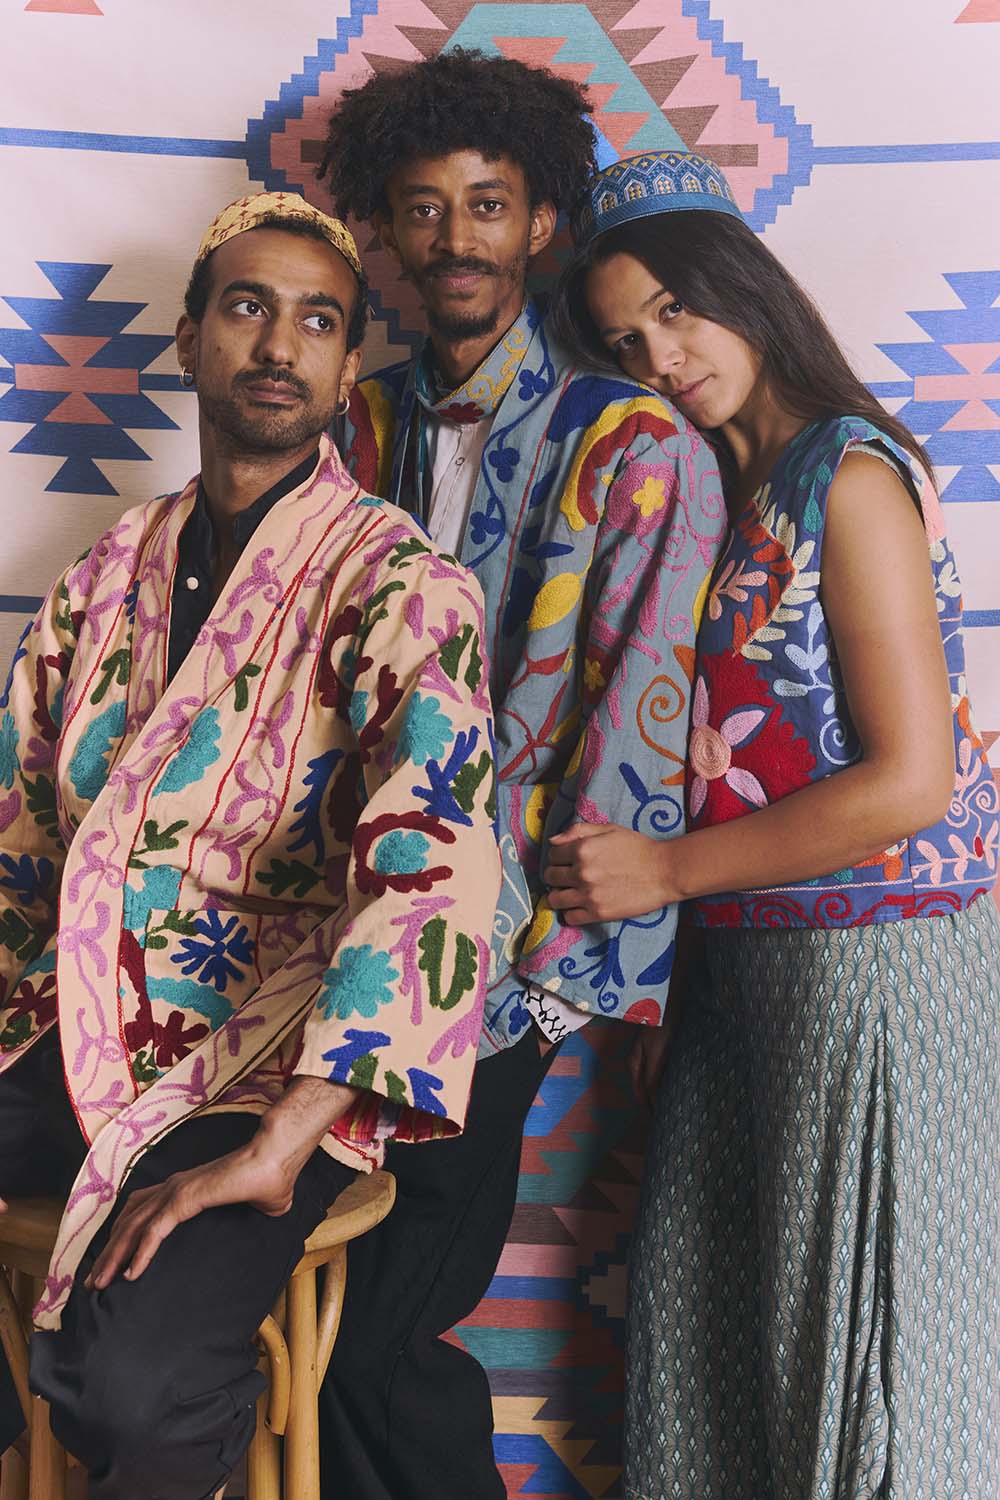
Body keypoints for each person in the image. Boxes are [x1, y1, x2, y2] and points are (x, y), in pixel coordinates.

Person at [0, 190, 500, 1500]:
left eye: (317, 321)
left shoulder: (401, 581)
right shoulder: (105, 575)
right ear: (188, 339)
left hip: (268, 1065)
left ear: (346, 365)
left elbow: (437, 869)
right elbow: (20, 830)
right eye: (247, 308)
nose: (280, 345)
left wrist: (286, 1142)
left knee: (134, 1383)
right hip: (74, 1027)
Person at [547, 149, 1000, 1499]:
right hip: (741, 966)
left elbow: (911, 782)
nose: (662, 357)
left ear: (743, 285)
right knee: (710, 1346)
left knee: (865, 1353)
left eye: (676, 309)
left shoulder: (845, 477)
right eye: (627, 343)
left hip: (878, 967)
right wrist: (682, 972)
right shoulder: (713, 495)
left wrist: (662, 874)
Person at [315, 51, 728, 1500]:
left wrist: (554, 977)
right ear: (385, 229)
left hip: (504, 954)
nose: (455, 239)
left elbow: (639, 719)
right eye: (422, 208)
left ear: (543, 222)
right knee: (311, 1320)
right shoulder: (351, 427)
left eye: (487, 204)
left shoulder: (635, 444)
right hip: (335, 937)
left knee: (378, 1326)